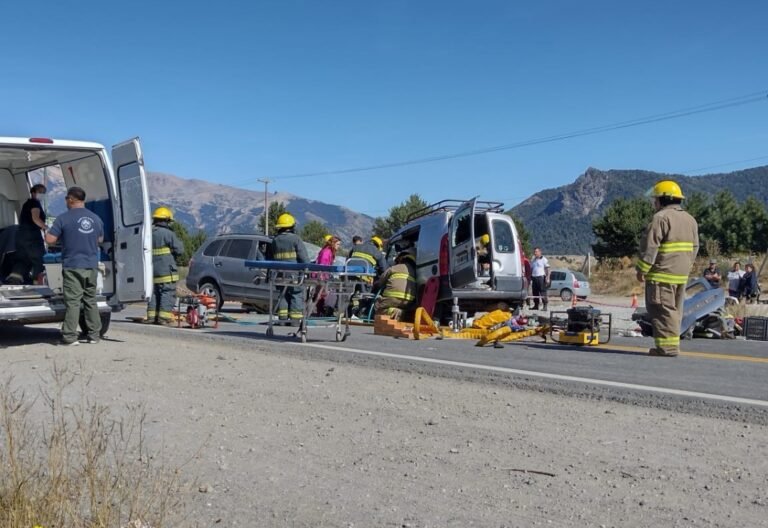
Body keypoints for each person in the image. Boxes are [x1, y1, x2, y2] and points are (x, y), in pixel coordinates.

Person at [636, 180, 699, 357]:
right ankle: (670, 345)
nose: (654, 203)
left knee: (662, 310)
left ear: (664, 199)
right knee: (674, 311)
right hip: (680, 276)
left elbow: (650, 246)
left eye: (656, 199)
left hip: (661, 274)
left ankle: (667, 348)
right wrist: (685, 265)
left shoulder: (661, 218)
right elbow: (695, 248)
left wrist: (642, 269)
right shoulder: (690, 220)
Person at [45, 186, 104, 346]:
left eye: (66, 198)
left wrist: (47, 232)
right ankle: (94, 335)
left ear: (70, 199)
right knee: (90, 300)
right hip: (91, 265)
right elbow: (99, 240)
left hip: (73, 265)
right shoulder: (96, 219)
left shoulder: (63, 218)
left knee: (73, 302)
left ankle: (70, 337)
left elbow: (50, 240)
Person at [267, 212, 309, 324]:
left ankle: (282, 319)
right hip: (293, 274)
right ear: (292, 226)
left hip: (279, 274)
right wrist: (308, 269)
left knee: (283, 294)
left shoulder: (275, 240)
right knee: (296, 293)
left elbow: (269, 258)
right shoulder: (295, 239)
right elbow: (303, 257)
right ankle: (295, 320)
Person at [147, 206, 184, 325]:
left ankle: (152, 317)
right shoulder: (168, 234)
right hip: (166, 272)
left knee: (154, 292)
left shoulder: (148, 233)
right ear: (167, 220)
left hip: (152, 271)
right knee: (167, 292)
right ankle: (163, 318)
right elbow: (180, 250)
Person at [7, 184, 47, 285]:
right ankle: (38, 283)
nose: (42, 194)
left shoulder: (27, 203)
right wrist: (46, 228)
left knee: (23, 259)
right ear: (33, 192)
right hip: (32, 237)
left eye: (44, 193)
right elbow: (35, 218)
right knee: (39, 259)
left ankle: (14, 279)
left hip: (21, 236)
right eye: (40, 192)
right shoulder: (35, 203)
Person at [374, 248, 417, 321]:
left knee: (378, 309)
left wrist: (375, 284)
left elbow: (380, 282)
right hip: (408, 302)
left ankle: (393, 311)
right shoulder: (415, 272)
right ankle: (402, 313)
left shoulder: (394, 268)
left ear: (401, 259)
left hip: (391, 299)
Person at [313, 235, 341, 315]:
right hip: (321, 276)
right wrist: (323, 277)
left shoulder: (329, 252)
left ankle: (320, 311)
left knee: (321, 294)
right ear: (333, 243)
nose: (339, 247)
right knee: (321, 294)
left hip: (323, 275)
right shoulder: (327, 252)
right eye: (338, 244)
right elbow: (322, 265)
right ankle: (320, 311)